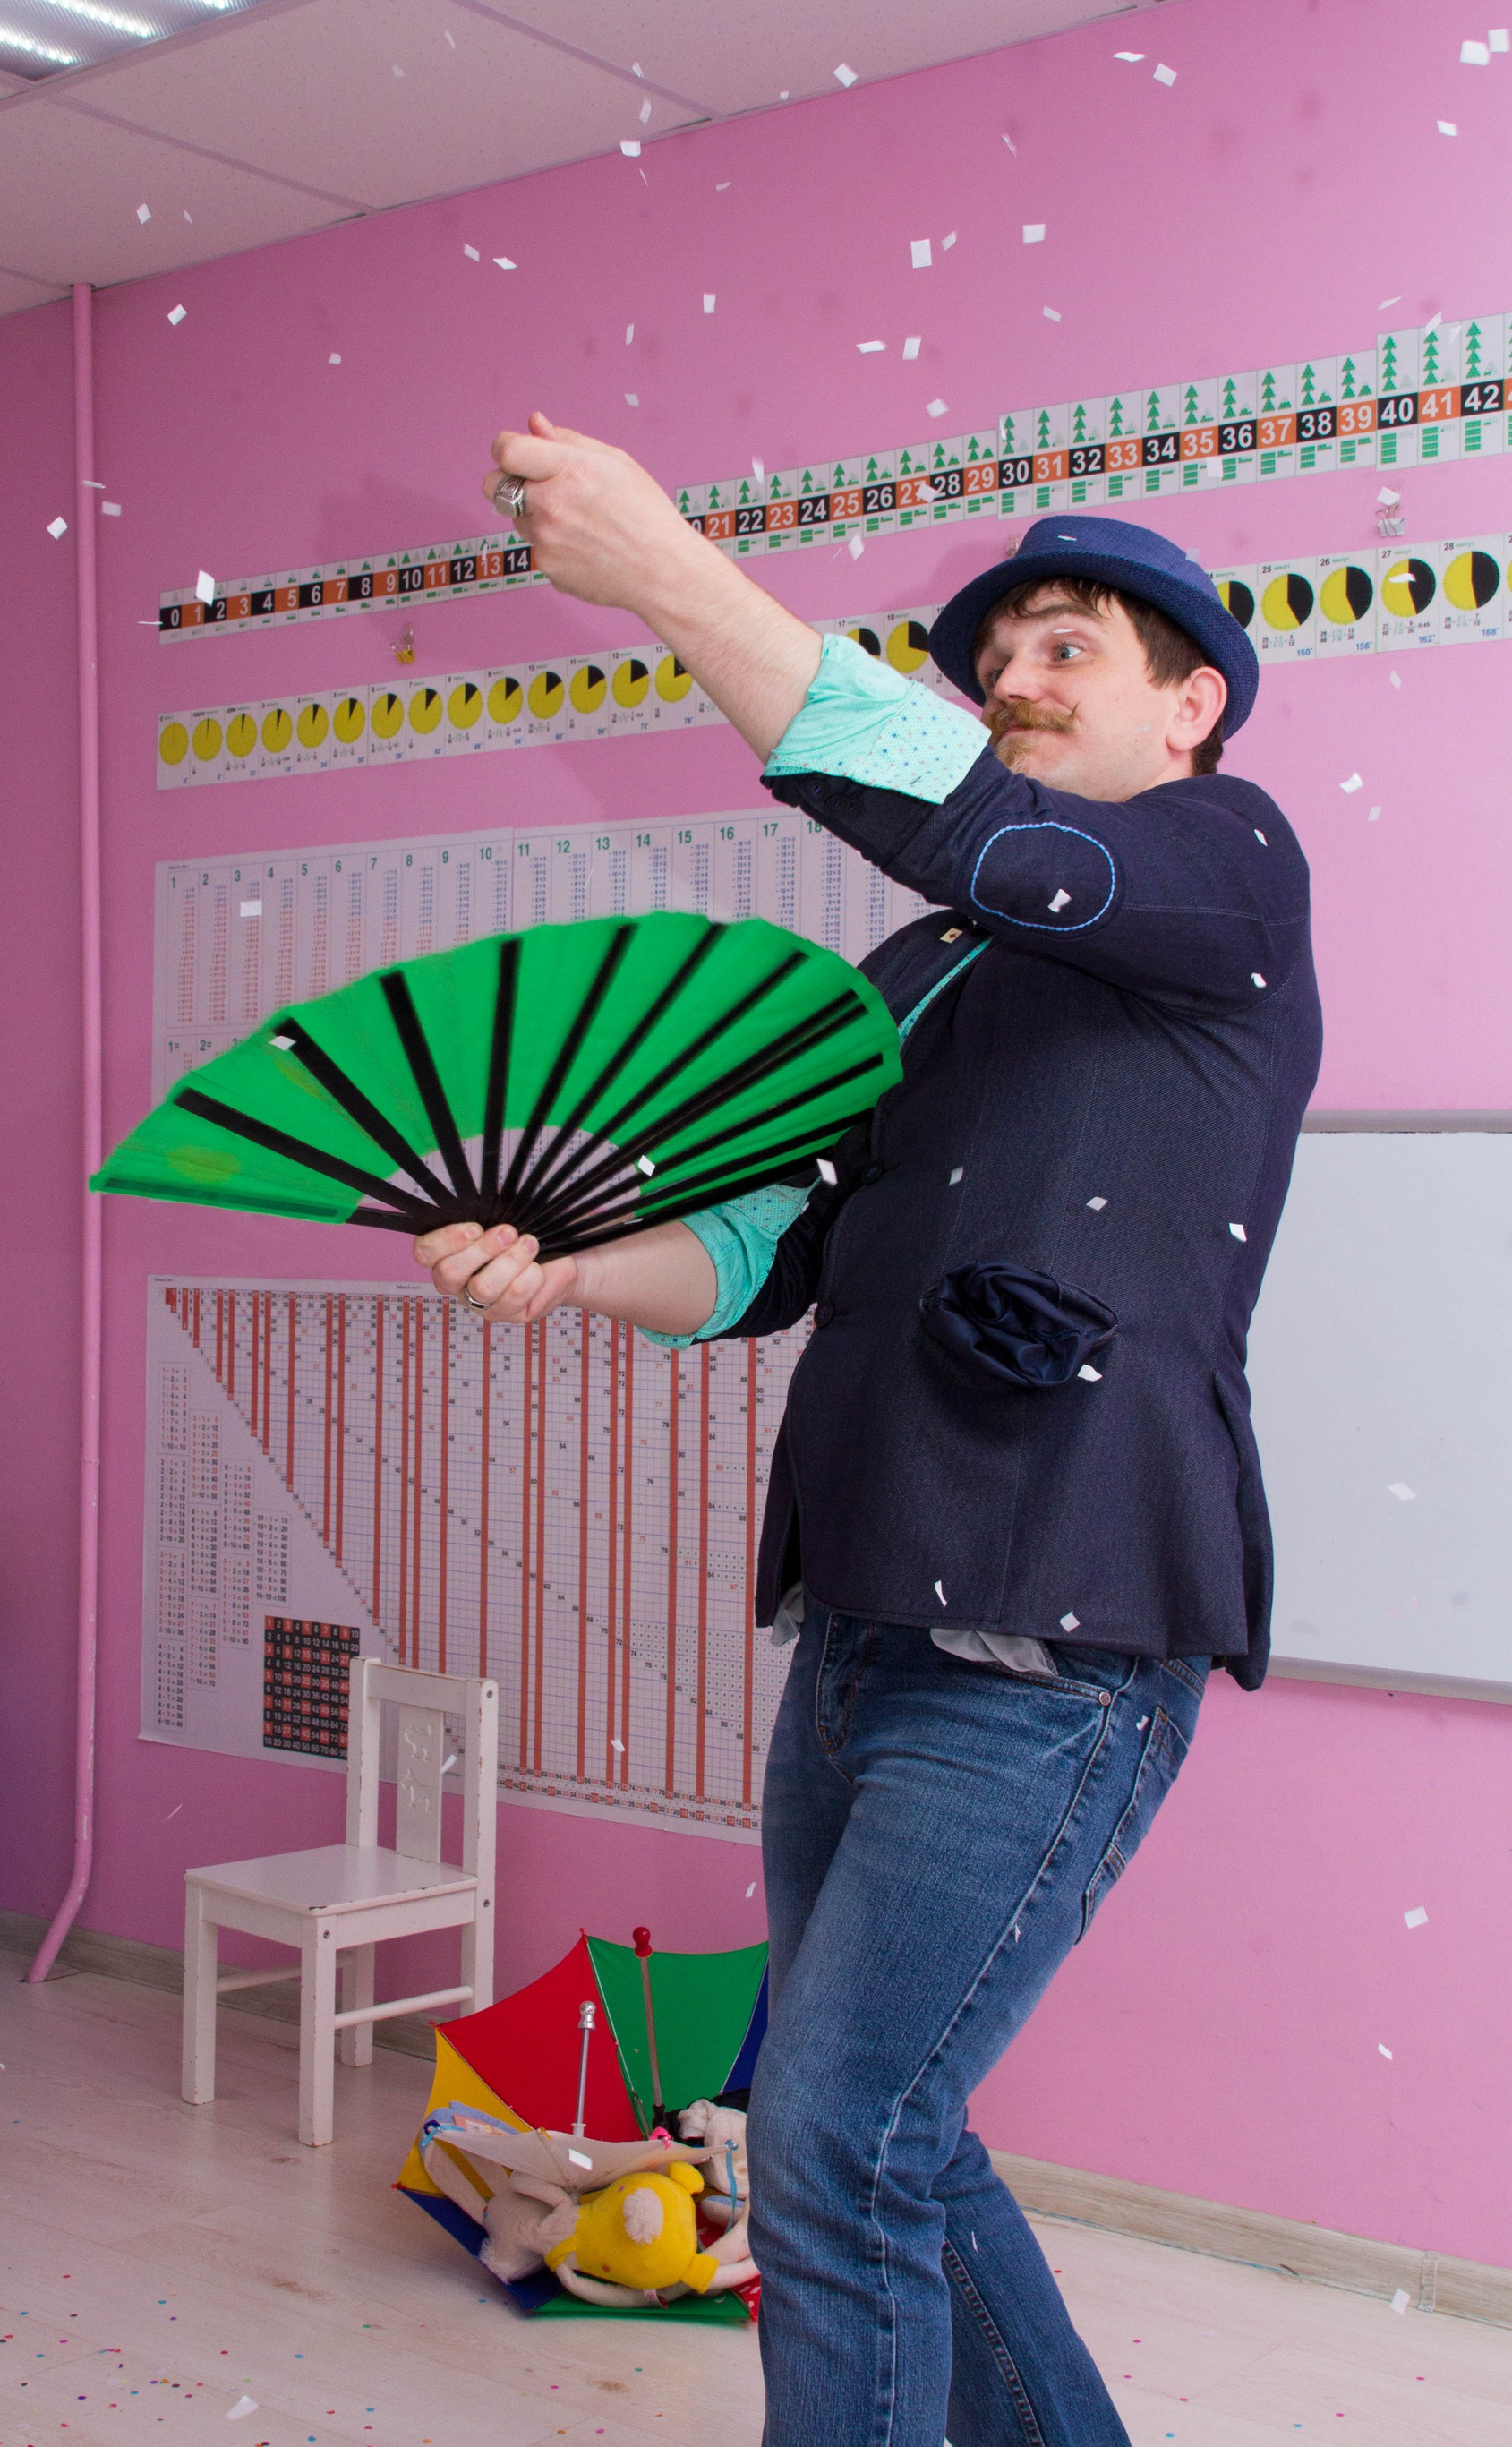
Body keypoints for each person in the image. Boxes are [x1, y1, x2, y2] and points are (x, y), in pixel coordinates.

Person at [415, 415, 1322, 2447]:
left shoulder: (1228, 863)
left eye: (1066, 648)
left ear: (1192, 705)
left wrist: (670, 575)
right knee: (883, 2131)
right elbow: (782, 1242)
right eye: (997, 659)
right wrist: (566, 1274)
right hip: (856, 1632)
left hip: (1053, 1637)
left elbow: (990, 836)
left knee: (832, 2138)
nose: (1016, 681)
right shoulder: (922, 966)